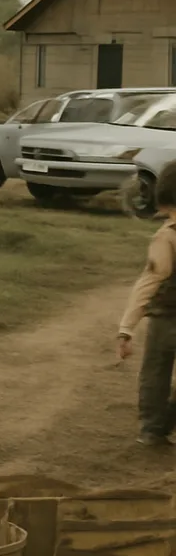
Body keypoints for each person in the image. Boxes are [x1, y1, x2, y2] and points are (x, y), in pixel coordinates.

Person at [116, 159, 176, 446]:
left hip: (165, 319)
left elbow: (150, 280)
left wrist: (127, 327)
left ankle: (153, 429)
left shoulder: (167, 237)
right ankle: (165, 422)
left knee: (155, 373)